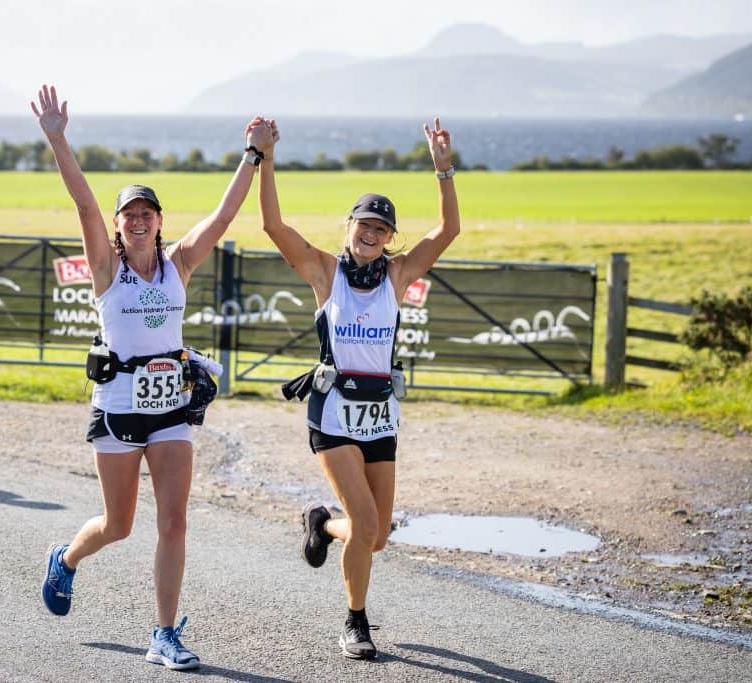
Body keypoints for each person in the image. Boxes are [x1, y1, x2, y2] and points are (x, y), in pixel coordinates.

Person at [32, 84, 272, 671]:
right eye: (129, 215)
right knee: (119, 524)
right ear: (118, 228)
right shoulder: (107, 269)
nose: (138, 221)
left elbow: (224, 215)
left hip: (170, 409)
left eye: (147, 213)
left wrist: (253, 154)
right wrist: (59, 139)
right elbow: (85, 206)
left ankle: (164, 634)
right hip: (117, 407)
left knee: (174, 520)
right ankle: (65, 559)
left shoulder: (179, 264)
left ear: (160, 221)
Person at [258, 117, 460, 660]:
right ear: (348, 226)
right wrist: (266, 159)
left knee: (378, 534)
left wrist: (443, 170)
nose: (370, 236)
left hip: (381, 416)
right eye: (363, 226)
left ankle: (323, 525)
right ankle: (355, 622)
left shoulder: (397, 277)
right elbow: (274, 226)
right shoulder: (326, 273)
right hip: (333, 415)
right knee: (368, 522)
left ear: (389, 238)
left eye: (381, 230)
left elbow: (447, 233)